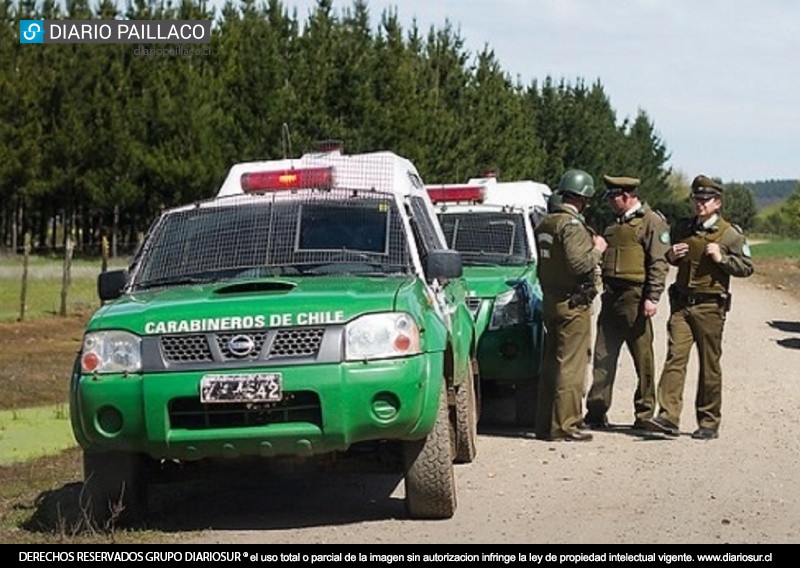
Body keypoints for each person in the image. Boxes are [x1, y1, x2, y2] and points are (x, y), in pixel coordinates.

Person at [645, 174, 754, 440]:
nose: (700, 204)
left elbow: (747, 267)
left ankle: (708, 421)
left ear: (718, 203)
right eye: (696, 199)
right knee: (675, 358)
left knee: (709, 366)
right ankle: (668, 417)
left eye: (705, 200)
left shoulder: (730, 234)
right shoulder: (683, 228)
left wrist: (723, 258)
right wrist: (671, 255)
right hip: (682, 305)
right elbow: (669, 255)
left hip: (710, 308)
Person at [584, 175, 671, 430]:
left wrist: (652, 297)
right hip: (611, 298)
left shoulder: (651, 222)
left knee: (642, 359)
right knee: (603, 357)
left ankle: (644, 414)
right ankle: (596, 412)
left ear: (627, 195)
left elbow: (659, 262)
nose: (610, 202)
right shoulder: (613, 225)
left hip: (636, 298)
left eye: (613, 197)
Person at [534, 169, 607, 442]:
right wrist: (598, 248)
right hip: (573, 304)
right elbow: (579, 265)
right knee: (572, 367)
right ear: (581, 198)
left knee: (551, 365)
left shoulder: (546, 223)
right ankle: (566, 425)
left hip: (552, 300)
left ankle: (545, 424)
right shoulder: (571, 226)